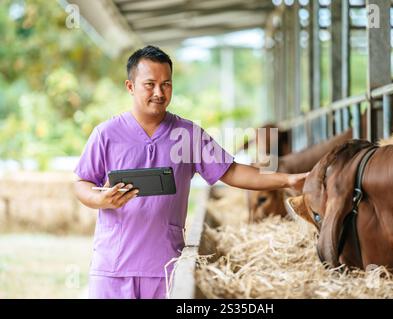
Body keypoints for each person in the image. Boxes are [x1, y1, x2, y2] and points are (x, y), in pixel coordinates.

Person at [73, 45, 308, 299]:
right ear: (130, 86)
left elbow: (232, 171)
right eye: (149, 84)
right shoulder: (106, 134)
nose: (159, 92)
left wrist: (287, 179)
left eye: (166, 84)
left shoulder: (187, 135)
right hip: (112, 269)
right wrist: (99, 199)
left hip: (166, 269)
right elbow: (82, 182)